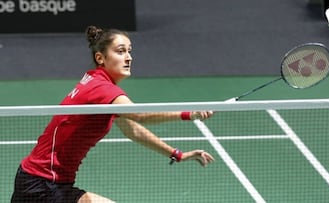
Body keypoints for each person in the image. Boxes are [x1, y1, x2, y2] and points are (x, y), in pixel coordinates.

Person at [11, 25, 215, 203]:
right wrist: (189, 113)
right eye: (120, 51)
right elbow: (138, 115)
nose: (129, 57)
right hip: (43, 183)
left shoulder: (95, 82)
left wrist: (176, 154)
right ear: (100, 57)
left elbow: (133, 130)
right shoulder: (101, 88)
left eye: (129, 51)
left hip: (38, 179)